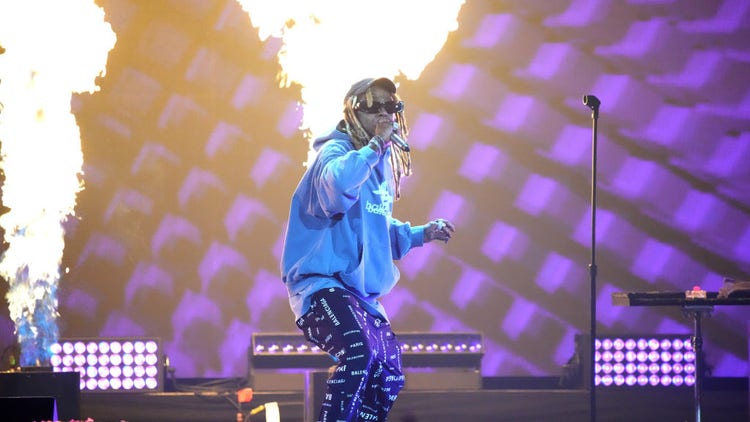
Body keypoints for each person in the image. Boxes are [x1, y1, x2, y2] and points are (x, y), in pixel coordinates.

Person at [280, 76, 455, 421]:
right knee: (358, 352)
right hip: (322, 285)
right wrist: (375, 146)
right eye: (375, 106)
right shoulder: (335, 153)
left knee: (388, 371)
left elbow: (376, 230)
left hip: (359, 295)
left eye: (391, 106)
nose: (385, 113)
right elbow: (337, 190)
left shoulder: (377, 168)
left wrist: (423, 233)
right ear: (354, 111)